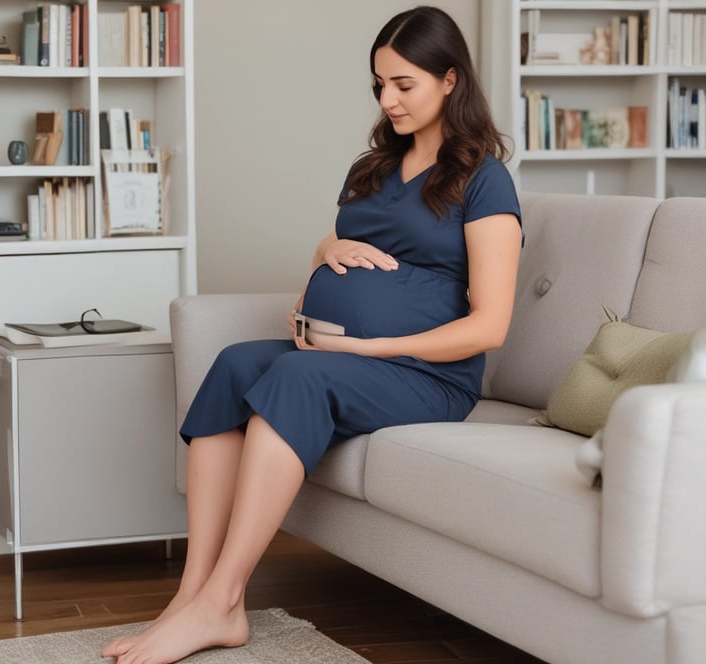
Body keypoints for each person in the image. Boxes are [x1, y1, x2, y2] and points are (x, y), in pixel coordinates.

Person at [101, 6, 522, 664]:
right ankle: (192, 594)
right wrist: (321, 267)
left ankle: (225, 600)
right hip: (341, 353)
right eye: (378, 84)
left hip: (428, 375)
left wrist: (368, 345)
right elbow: (341, 252)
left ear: (449, 80)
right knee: (236, 364)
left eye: (403, 85)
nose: (388, 99)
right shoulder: (373, 168)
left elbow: (489, 324)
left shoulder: (484, 180)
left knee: (296, 377)